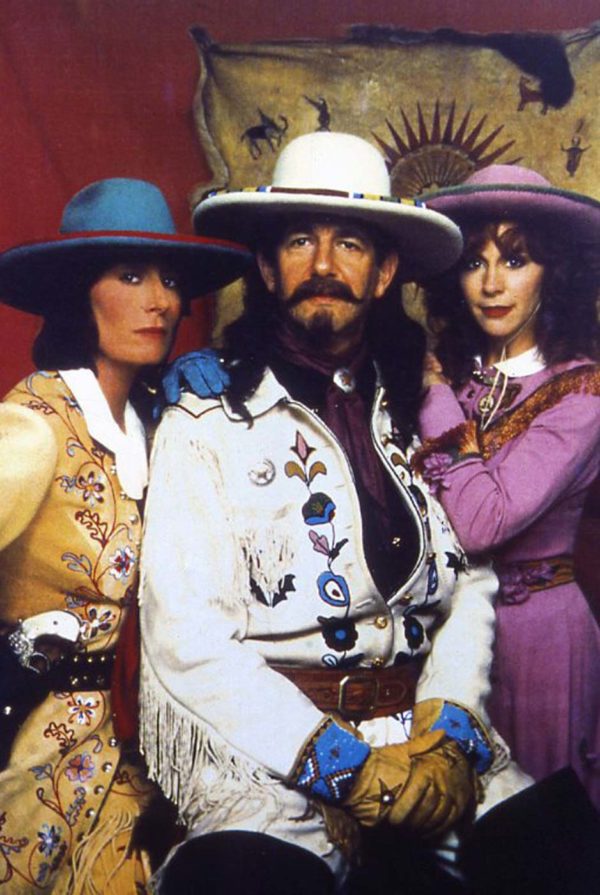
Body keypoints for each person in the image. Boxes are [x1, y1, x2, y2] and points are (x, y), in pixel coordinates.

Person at [138, 132, 562, 895]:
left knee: (565, 854)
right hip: (272, 755)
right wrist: (349, 768)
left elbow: (471, 580)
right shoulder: (204, 418)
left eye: (351, 244)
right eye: (300, 241)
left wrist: (445, 731)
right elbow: (186, 636)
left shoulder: (424, 409)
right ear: (268, 266)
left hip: (422, 738)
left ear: (384, 271)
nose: (324, 265)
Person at [0, 177, 249, 894]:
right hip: (35, 752)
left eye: (170, 280)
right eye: (132, 277)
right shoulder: (35, 425)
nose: (161, 301)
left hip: (139, 751)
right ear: (79, 292)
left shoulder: (160, 425)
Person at [415, 164, 600, 809]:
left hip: (539, 640)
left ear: (555, 272)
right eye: (475, 262)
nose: (492, 284)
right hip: (442, 634)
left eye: (515, 260)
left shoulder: (582, 390)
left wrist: (432, 396)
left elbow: (482, 523)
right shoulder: (451, 371)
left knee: (535, 824)